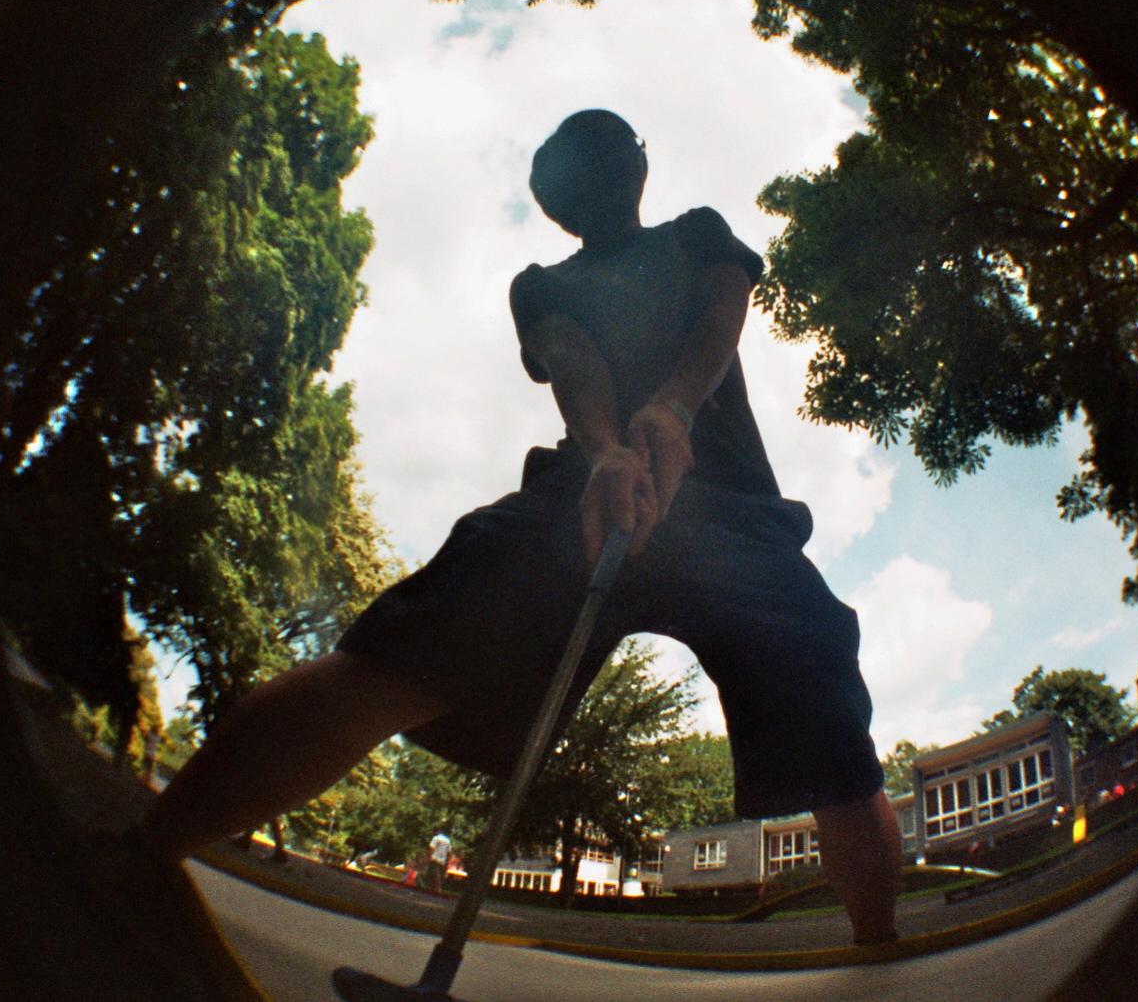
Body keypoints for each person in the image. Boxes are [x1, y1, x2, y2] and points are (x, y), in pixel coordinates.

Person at [139, 109, 902, 944]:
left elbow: (721, 316)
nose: (606, 169)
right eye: (588, 161)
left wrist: (673, 407)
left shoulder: (697, 234)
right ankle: (142, 854)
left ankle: (878, 947)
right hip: (581, 502)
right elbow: (573, 361)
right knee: (392, 659)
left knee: (831, 736)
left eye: (610, 149)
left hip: (733, 520)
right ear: (560, 204)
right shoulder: (541, 285)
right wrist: (608, 451)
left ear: (634, 166)